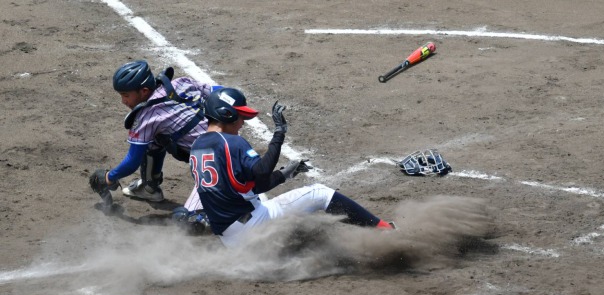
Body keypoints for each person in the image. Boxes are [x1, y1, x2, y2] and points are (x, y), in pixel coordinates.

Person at [189, 87, 395, 248]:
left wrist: (284, 174)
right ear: (226, 114)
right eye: (240, 116)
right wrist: (279, 133)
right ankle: (386, 230)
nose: (243, 122)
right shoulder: (231, 142)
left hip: (231, 239)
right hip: (253, 227)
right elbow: (261, 171)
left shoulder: (197, 147)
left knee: (264, 203)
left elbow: (248, 187)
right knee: (319, 193)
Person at [89, 60, 220, 204]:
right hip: (233, 141)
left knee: (188, 217)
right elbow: (220, 92)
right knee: (158, 137)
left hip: (216, 166)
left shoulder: (146, 119)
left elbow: (132, 161)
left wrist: (109, 177)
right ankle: (149, 190)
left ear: (144, 91)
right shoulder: (181, 82)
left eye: (126, 95)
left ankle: (151, 189)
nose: (123, 101)